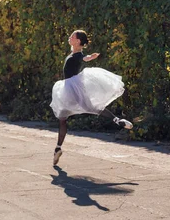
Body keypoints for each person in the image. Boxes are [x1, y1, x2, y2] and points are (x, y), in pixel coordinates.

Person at [50, 30, 133, 166]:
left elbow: (83, 58)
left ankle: (117, 120)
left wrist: (90, 57)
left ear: (77, 41)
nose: (69, 37)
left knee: (67, 118)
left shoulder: (78, 55)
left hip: (71, 89)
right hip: (68, 88)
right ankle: (58, 148)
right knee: (71, 116)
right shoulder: (73, 53)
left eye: (72, 36)